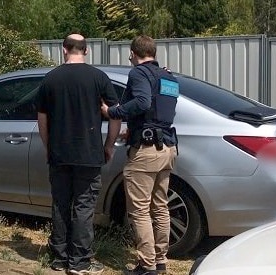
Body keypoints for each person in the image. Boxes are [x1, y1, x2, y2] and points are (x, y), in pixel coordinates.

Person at [36, 34, 121, 275]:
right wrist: (109, 145)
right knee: (83, 207)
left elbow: (42, 118)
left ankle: (60, 258)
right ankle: (80, 261)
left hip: (59, 153)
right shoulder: (98, 78)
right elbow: (115, 114)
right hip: (89, 153)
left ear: (64, 49)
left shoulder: (50, 79)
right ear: (87, 51)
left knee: (61, 204)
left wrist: (48, 146)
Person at [101, 35, 179, 275]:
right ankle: (161, 260)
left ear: (133, 53)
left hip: (146, 153)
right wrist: (134, 130)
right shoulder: (169, 77)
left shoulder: (138, 73)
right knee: (160, 206)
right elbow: (158, 109)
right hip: (167, 147)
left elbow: (144, 102)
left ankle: (147, 265)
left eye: (130, 55)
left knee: (139, 209)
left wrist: (112, 111)